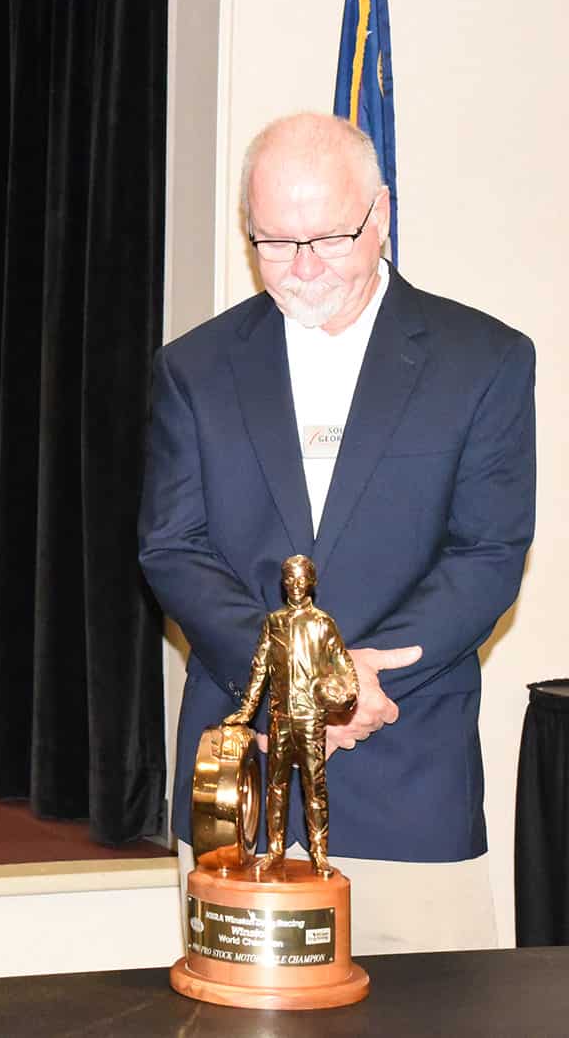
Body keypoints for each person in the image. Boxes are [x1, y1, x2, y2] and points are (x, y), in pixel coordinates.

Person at [138, 112, 535, 954]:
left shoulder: (485, 360)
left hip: (407, 763)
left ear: (381, 214)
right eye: (274, 243)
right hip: (238, 777)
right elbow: (174, 547)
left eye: (328, 237)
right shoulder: (195, 369)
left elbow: (488, 551)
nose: (303, 267)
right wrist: (293, 678)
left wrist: (353, 687)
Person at [223, 554, 358, 878]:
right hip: (280, 719)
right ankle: (275, 850)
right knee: (276, 788)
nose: (296, 585)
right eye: (290, 580)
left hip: (312, 719)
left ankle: (319, 854)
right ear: (283, 584)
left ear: (311, 581)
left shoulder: (323, 624)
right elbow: (260, 669)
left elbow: (345, 668)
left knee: (315, 788)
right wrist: (247, 710)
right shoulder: (275, 622)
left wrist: (345, 694)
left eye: (301, 579)